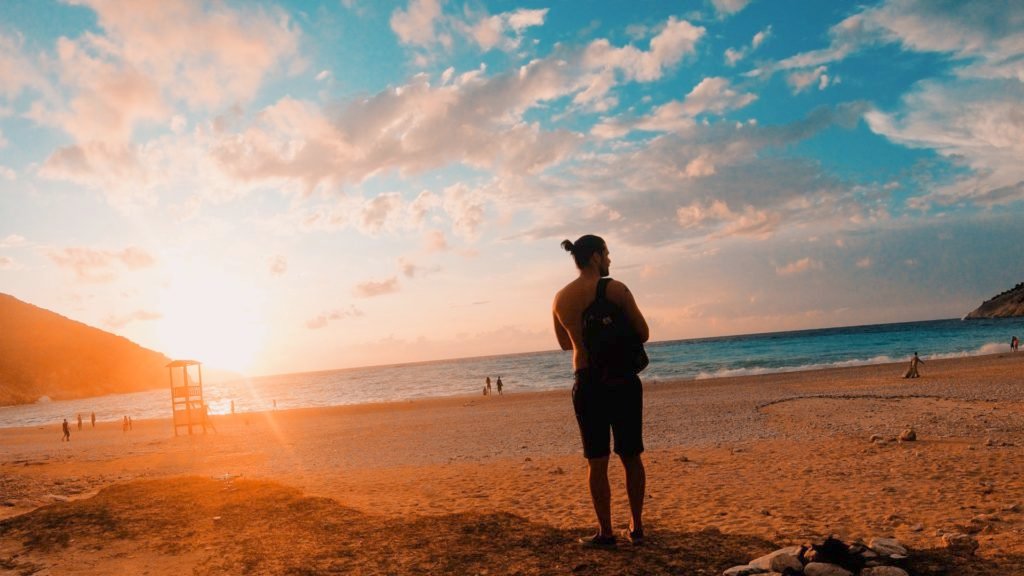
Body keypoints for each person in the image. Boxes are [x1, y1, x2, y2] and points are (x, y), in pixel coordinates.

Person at [553, 234, 649, 548]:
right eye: (607, 254)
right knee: (631, 456)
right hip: (621, 379)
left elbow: (565, 344)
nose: (609, 260)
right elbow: (644, 333)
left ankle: (605, 531)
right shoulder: (616, 289)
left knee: (597, 460)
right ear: (595, 256)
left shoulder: (560, 299)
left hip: (587, 382)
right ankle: (635, 527)